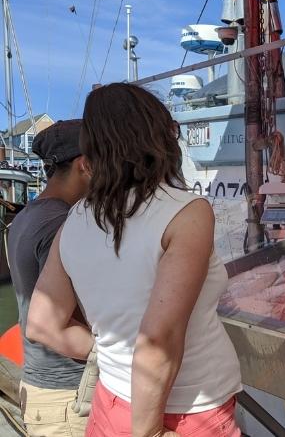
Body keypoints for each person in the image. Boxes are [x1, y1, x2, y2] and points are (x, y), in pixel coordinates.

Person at [26, 83, 242, 437]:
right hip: (184, 413)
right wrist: (150, 431)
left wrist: (112, 355)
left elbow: (41, 324)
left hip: (110, 403)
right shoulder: (188, 212)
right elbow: (158, 338)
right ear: (159, 139)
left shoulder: (75, 220)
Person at [7, 120, 92, 437]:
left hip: (42, 385)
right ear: (85, 165)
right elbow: (79, 311)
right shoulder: (62, 222)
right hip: (69, 395)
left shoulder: (27, 215)